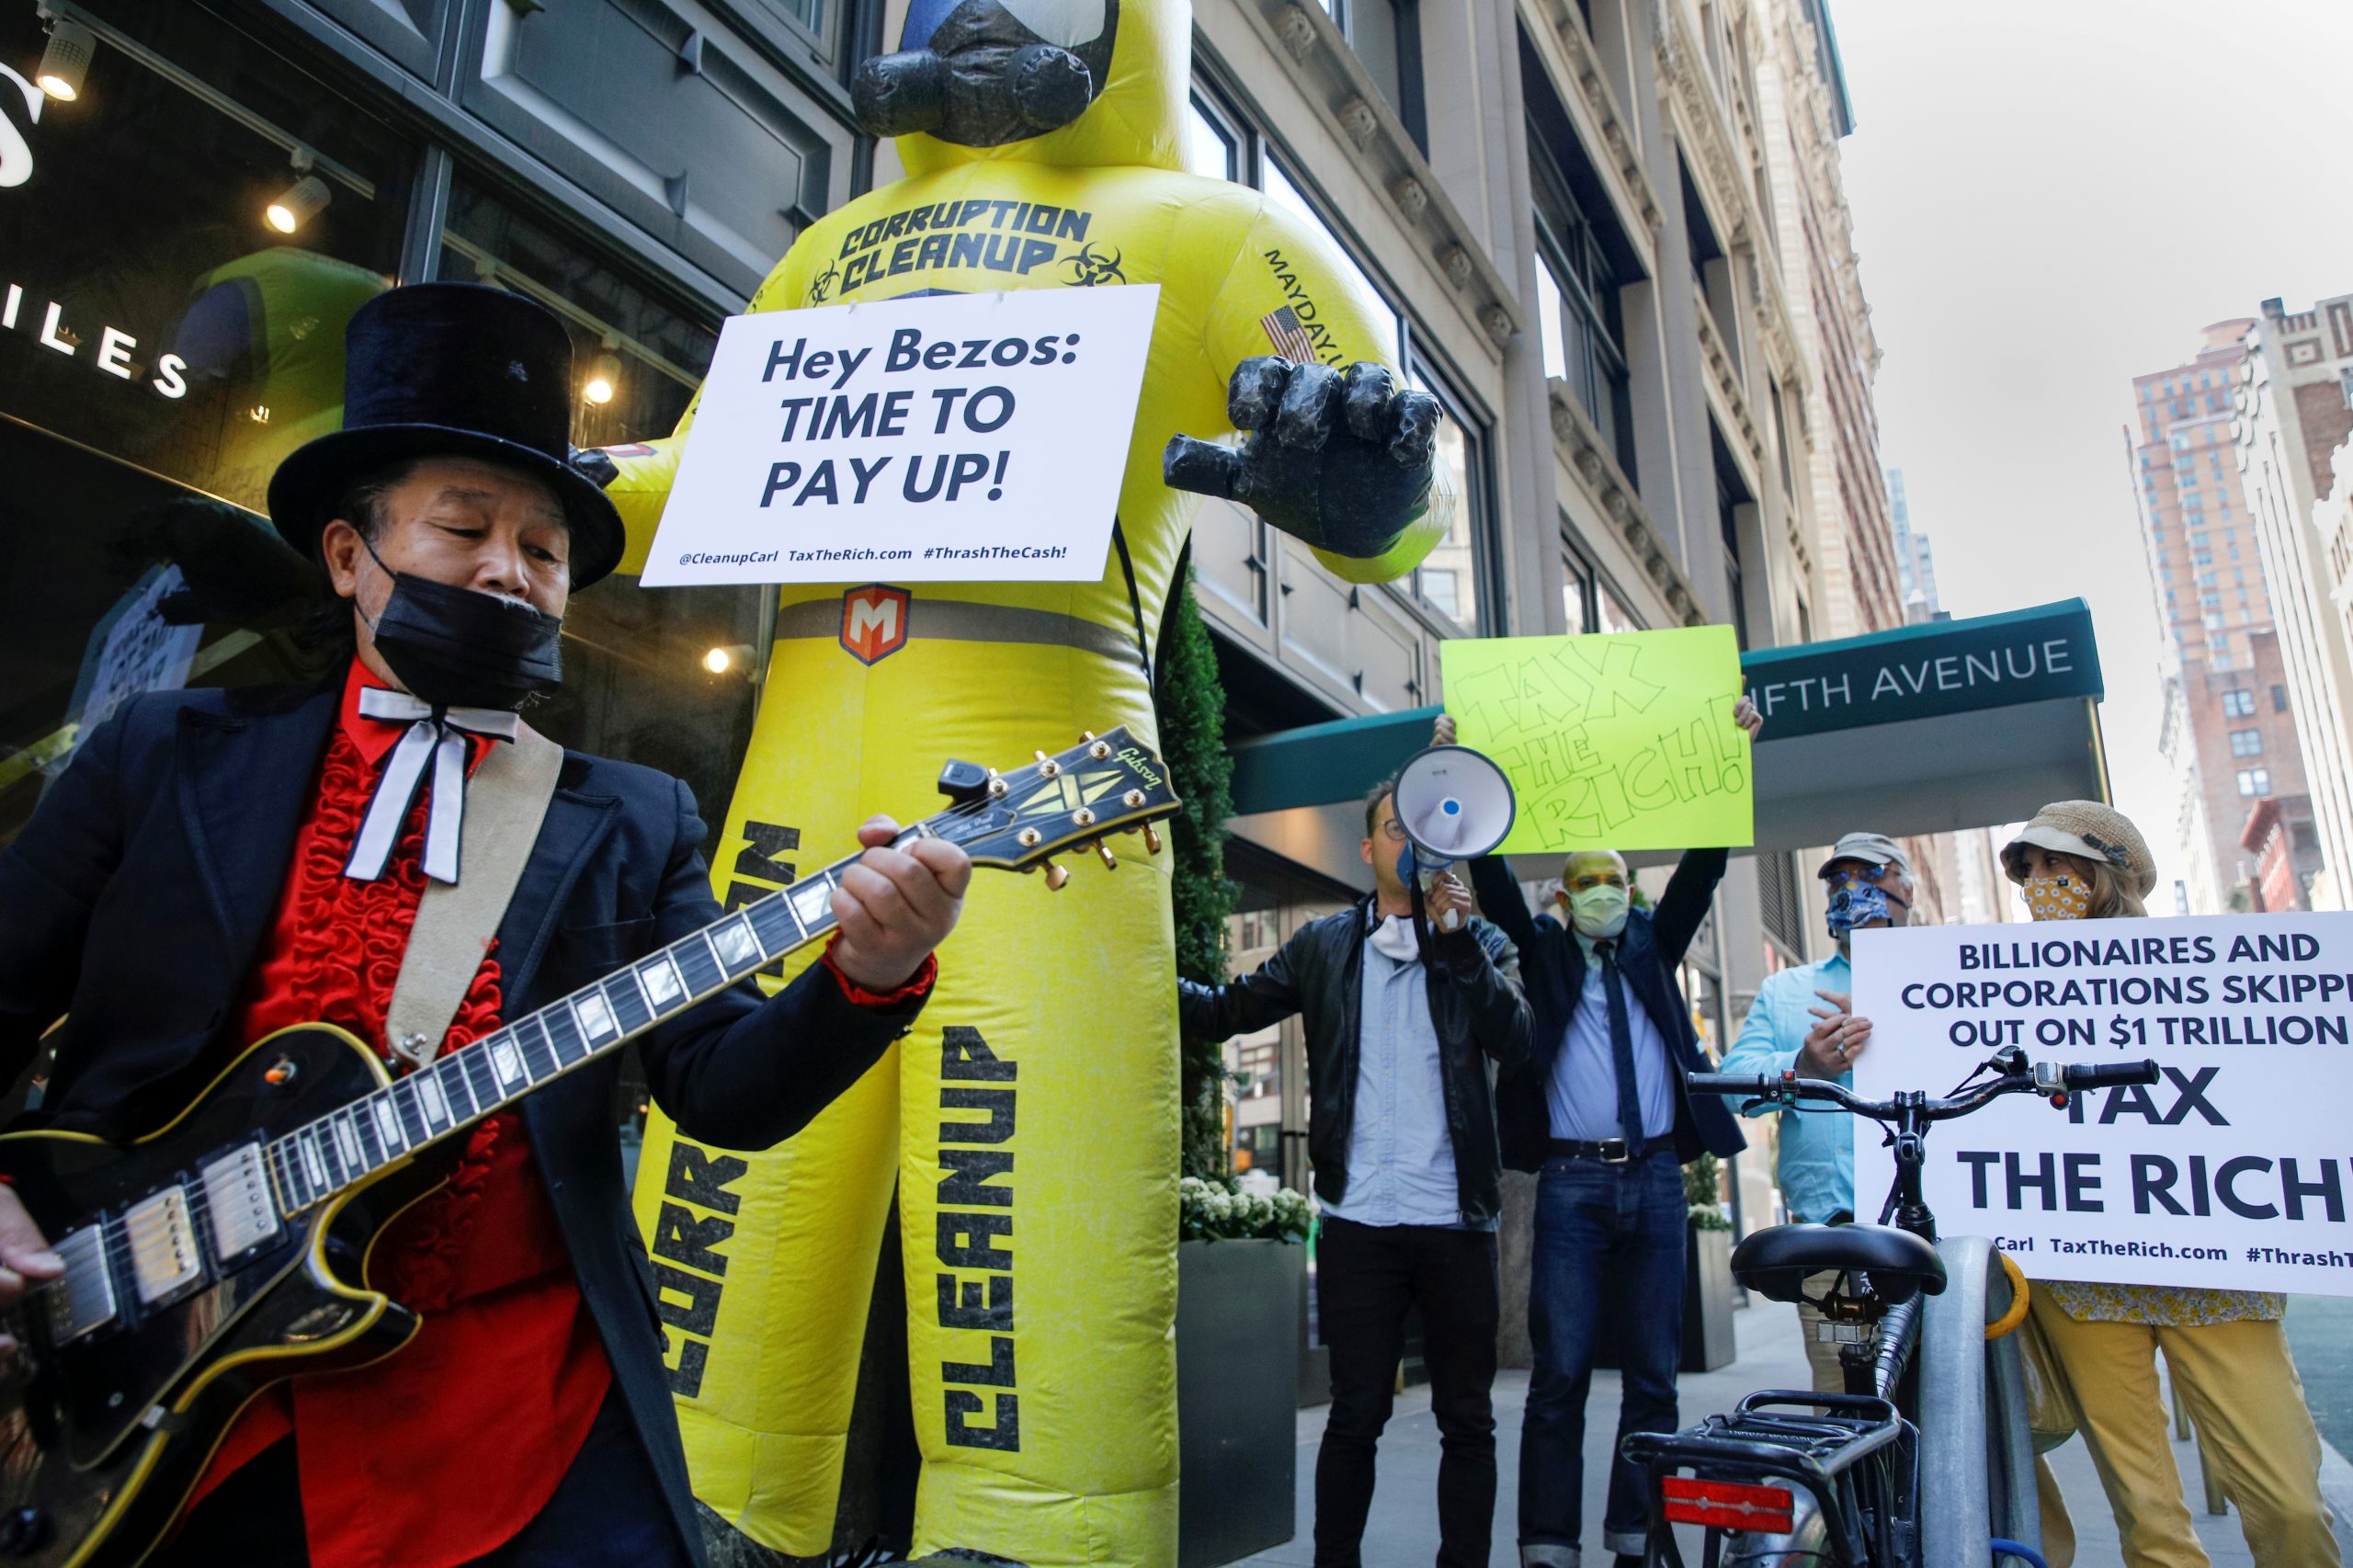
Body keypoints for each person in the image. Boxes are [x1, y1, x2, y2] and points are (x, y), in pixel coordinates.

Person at [0, 282, 971, 1567]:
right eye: (466, 528)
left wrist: (872, 968)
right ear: (352, 556)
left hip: (522, 1419)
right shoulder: (168, 752)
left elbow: (721, 1088)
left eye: (546, 549)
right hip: (174, 1415)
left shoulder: (634, 814)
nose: (512, 569)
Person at [1177, 777, 1531, 1568]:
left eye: (1423, 831)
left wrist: (1461, 941)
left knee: (1467, 1420)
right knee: (1355, 1414)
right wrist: (1131, 964)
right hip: (1359, 1222)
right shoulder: (1324, 944)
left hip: (1456, 1222)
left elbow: (1517, 1039)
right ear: (1368, 849)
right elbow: (1220, 1012)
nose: (1410, 843)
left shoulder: (1487, 942)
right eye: (1393, 830)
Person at [1451, 701, 1758, 1568]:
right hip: (1575, 1185)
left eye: (1616, 879)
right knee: (1560, 1377)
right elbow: (1494, 878)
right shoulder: (1544, 950)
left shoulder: (1655, 949)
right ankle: (1549, 1547)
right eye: (1586, 880)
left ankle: (1636, 1538)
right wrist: (1463, 775)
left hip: (1658, 1181)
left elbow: (1703, 868)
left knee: (1655, 1379)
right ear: (1564, 896)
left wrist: (1730, 754)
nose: (1604, 892)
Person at [2005, 801, 2339, 1568]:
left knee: (2289, 1502)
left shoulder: (2209, 967)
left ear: (2110, 872)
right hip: (2083, 1275)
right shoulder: (2003, 990)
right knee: (2150, 1523)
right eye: (2031, 871)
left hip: (2216, 1266)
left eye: (2060, 866)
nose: (2041, 884)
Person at [1717, 831, 1913, 1392]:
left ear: (1905, 887)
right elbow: (1736, 1087)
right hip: (1831, 1239)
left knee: (1951, 1395)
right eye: (1837, 879)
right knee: (1843, 1394)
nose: (1851, 891)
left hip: (1929, 1229)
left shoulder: (1944, 977)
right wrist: (1803, 1065)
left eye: (1870, 876)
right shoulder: (1787, 991)